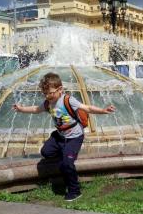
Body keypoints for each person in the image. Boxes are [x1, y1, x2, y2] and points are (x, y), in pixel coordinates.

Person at [13, 72, 116, 201]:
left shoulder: (68, 100)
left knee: (67, 163)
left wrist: (103, 111)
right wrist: (21, 109)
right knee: (46, 152)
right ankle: (64, 154)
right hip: (60, 136)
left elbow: (87, 108)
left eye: (50, 93)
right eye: (44, 93)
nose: (47, 96)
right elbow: (35, 109)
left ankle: (75, 190)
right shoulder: (47, 103)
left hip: (74, 137)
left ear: (60, 89)